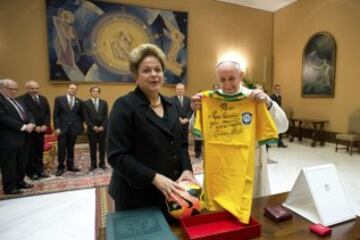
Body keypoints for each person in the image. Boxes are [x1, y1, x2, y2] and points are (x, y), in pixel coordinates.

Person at [190, 61, 288, 223]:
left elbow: (283, 126)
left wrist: (268, 104)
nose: (227, 84)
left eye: (232, 78)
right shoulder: (209, 101)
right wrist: (196, 112)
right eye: (223, 80)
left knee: (252, 212)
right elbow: (197, 135)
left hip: (249, 165)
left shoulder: (254, 98)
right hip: (220, 168)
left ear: (241, 76)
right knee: (222, 215)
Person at [107, 43, 197, 215]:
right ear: (136, 76)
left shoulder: (171, 105)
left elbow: (181, 144)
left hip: (171, 192)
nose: (154, 74)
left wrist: (186, 169)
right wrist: (154, 178)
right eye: (146, 70)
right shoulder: (124, 106)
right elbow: (116, 156)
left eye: (158, 69)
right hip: (136, 195)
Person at [0, 79, 35, 194]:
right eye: (11, 89)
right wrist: (23, 127)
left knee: (22, 162)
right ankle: (10, 187)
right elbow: (3, 118)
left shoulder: (17, 100)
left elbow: (28, 113)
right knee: (10, 164)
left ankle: (20, 181)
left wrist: (31, 123)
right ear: (2, 88)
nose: (14, 91)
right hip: (9, 139)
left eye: (16, 89)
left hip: (23, 138)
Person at [17, 81, 51, 180]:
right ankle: (32, 173)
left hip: (42, 131)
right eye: (32, 88)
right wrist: (35, 126)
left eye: (37, 88)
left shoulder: (43, 99)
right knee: (30, 153)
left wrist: (45, 125)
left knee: (39, 151)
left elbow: (47, 114)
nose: (35, 90)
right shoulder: (21, 99)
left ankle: (40, 170)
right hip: (30, 131)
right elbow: (24, 116)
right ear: (27, 88)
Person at [53, 83, 84, 176]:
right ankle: (60, 167)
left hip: (73, 129)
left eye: (75, 89)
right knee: (61, 148)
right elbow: (56, 115)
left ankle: (70, 165)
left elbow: (81, 116)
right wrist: (57, 127)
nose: (73, 90)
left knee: (71, 148)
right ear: (67, 89)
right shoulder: (59, 99)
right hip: (62, 129)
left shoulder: (79, 101)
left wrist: (79, 126)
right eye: (71, 88)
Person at [83, 86, 108, 171]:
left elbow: (106, 117)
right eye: (94, 91)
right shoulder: (86, 103)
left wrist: (103, 126)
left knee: (102, 147)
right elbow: (86, 118)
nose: (95, 93)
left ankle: (102, 163)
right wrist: (93, 127)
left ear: (99, 93)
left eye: (97, 91)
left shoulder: (104, 103)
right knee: (92, 148)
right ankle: (93, 164)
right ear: (91, 92)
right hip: (92, 129)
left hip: (102, 129)